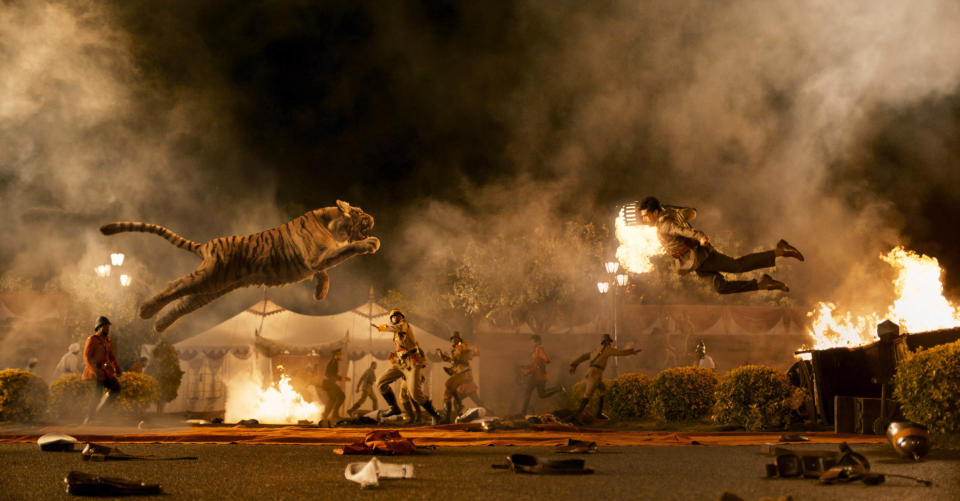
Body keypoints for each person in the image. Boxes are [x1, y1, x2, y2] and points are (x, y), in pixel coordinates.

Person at [638, 196, 804, 294]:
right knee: (721, 288)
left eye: (645, 216)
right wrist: (672, 210)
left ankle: (779, 251)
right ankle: (762, 284)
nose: (644, 220)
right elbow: (692, 212)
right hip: (694, 262)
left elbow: (681, 230)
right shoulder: (670, 213)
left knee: (737, 266)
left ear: (654, 212)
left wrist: (699, 236)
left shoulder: (665, 225)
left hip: (701, 257)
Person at [374, 309, 442, 423]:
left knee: (415, 394)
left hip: (413, 363)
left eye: (398, 316)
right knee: (380, 382)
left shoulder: (404, 325)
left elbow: (400, 330)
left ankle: (435, 414)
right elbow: (403, 349)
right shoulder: (395, 334)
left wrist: (383, 327)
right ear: (391, 319)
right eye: (393, 317)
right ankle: (394, 407)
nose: (396, 318)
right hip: (401, 364)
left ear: (402, 318)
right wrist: (395, 356)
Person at [569, 334, 639, 419]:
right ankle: (577, 415)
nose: (610, 343)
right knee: (588, 394)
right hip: (595, 374)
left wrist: (574, 364)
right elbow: (620, 353)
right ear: (606, 341)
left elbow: (584, 356)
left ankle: (598, 413)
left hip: (593, 372)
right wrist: (631, 351)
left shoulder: (596, 349)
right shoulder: (607, 349)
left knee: (602, 391)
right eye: (609, 341)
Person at [82, 316, 122, 423]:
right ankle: (88, 419)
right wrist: (95, 371)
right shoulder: (92, 340)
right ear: (99, 327)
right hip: (94, 371)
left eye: (108, 326)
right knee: (97, 396)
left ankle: (100, 413)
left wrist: (117, 369)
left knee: (116, 388)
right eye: (105, 326)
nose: (108, 328)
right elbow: (87, 358)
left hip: (105, 372)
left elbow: (112, 357)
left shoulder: (108, 341)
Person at [436, 331, 481, 423]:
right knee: (454, 396)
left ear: (458, 339)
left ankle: (449, 418)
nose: (453, 340)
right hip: (459, 375)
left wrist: (469, 350)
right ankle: (457, 415)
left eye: (455, 338)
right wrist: (441, 355)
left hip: (463, 374)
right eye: (452, 339)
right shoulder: (456, 349)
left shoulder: (463, 346)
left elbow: (475, 352)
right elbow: (452, 360)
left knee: (449, 388)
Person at [518, 334, 563, 415]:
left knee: (527, 392)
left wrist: (527, 372)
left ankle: (523, 412)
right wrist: (525, 366)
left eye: (532, 341)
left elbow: (546, 360)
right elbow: (534, 363)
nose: (531, 343)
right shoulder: (536, 350)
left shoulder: (539, 349)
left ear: (537, 341)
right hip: (538, 376)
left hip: (538, 376)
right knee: (541, 394)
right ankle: (558, 388)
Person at [319, 348, 349, 426]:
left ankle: (325, 415)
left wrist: (341, 378)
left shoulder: (334, 362)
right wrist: (340, 378)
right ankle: (334, 415)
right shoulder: (333, 362)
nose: (340, 356)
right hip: (329, 383)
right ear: (335, 355)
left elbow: (332, 374)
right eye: (339, 354)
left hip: (327, 383)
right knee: (342, 396)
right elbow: (329, 374)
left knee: (332, 399)